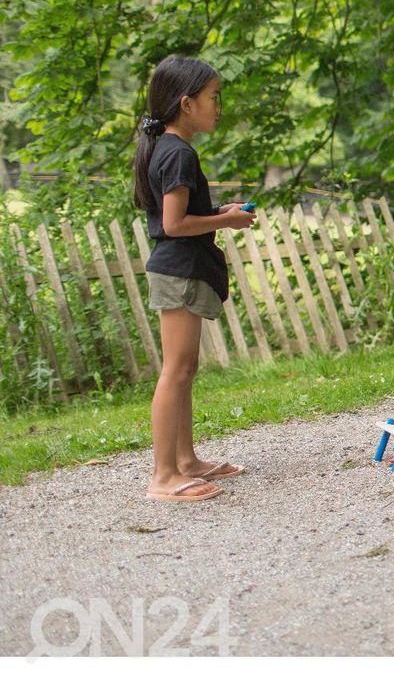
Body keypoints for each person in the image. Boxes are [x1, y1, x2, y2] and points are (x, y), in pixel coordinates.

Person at [132, 56, 258, 501]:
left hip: (179, 269)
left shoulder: (169, 148)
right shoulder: (178, 152)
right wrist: (228, 224)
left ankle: (185, 460)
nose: (218, 106)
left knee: (185, 369)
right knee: (176, 370)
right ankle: (163, 477)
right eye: (213, 97)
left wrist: (219, 212)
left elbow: (183, 215)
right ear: (186, 103)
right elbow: (173, 224)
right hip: (178, 269)